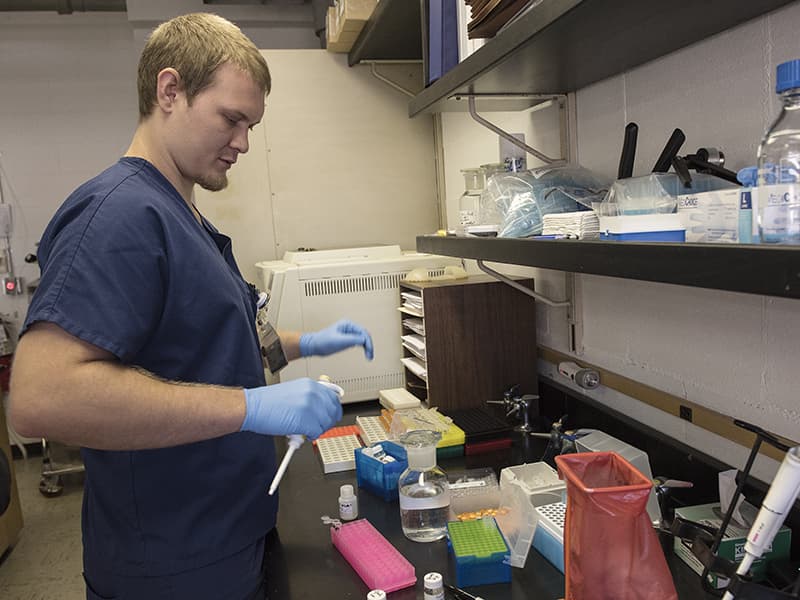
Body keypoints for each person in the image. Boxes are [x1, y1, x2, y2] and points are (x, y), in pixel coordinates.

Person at [8, 13, 373, 600]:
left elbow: (197, 345)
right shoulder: (120, 215)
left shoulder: (185, 215)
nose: (243, 143)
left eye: (251, 125)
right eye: (231, 119)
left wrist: (305, 343)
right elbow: (40, 398)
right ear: (170, 90)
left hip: (228, 533)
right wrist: (250, 408)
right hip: (175, 561)